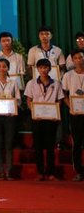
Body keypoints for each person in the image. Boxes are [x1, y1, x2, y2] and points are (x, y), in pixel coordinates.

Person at [24, 58, 64, 181]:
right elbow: (28, 100)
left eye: (45, 67)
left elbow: (60, 100)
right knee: (38, 146)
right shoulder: (31, 83)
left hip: (51, 119)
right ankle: (40, 172)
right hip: (37, 119)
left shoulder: (56, 83)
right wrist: (34, 111)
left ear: (50, 69)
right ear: (37, 69)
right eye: (41, 68)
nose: (43, 70)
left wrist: (55, 112)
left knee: (50, 146)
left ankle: (51, 172)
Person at [0, 58, 21, 180]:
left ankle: (9, 171)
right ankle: (0, 171)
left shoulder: (13, 82)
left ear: (8, 68)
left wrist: (13, 108)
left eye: (4, 66)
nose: (2, 68)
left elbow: (18, 99)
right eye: (0, 66)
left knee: (9, 143)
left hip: (9, 117)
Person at [60, 49, 84, 181]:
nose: (79, 60)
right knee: (77, 143)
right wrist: (71, 106)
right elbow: (63, 94)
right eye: (76, 58)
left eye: (81, 57)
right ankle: (79, 171)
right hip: (75, 114)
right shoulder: (68, 75)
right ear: (72, 60)